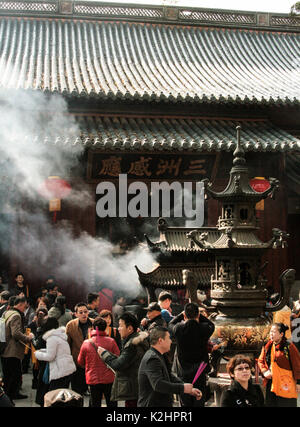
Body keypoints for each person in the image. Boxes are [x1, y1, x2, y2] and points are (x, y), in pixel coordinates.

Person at [138, 326, 202, 407]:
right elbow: (158, 385)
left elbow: (169, 375)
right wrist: (182, 388)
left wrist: (188, 389)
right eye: (169, 338)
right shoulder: (152, 358)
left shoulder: (160, 355)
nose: (171, 341)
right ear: (160, 341)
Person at [98, 312, 149, 407]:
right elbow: (123, 360)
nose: (118, 329)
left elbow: (119, 365)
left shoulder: (132, 345)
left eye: (121, 326)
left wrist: (104, 354)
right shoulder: (136, 340)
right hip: (138, 387)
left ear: (129, 328)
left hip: (133, 389)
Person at [169, 302, 215, 407]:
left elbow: (170, 324)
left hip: (183, 370)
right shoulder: (204, 328)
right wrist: (200, 316)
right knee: (199, 397)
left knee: (185, 399)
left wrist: (181, 315)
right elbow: (212, 325)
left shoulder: (179, 328)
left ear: (185, 315)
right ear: (198, 315)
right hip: (200, 370)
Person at [77, 316, 120, 407]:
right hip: (109, 378)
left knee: (95, 403)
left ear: (93, 328)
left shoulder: (86, 343)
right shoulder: (111, 341)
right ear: (105, 328)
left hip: (93, 379)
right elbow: (117, 358)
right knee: (112, 403)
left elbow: (80, 361)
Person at [1, 296, 34, 404]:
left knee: (7, 376)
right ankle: (9, 400)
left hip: (4, 349)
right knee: (14, 377)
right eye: (24, 306)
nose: (25, 309)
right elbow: (15, 333)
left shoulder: (7, 312)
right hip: (12, 351)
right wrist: (27, 338)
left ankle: (9, 397)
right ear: (20, 304)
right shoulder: (16, 315)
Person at [258, 322, 300, 407]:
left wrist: (298, 383)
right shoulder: (268, 345)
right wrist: (265, 371)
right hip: (272, 383)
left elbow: (297, 365)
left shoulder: (289, 346)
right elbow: (260, 360)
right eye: (270, 331)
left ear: (281, 334)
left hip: (286, 383)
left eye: (274, 332)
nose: (271, 334)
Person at [34, 317, 76, 391]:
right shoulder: (59, 335)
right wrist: (43, 350)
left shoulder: (52, 338)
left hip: (60, 371)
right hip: (67, 368)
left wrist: (37, 354)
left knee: (55, 395)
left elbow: (50, 357)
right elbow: (58, 351)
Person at [66, 302, 94, 395]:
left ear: (88, 312)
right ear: (76, 314)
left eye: (85, 312)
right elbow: (67, 344)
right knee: (77, 391)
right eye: (81, 312)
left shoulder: (94, 323)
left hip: (92, 361)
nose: (83, 314)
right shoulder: (70, 325)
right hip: (76, 361)